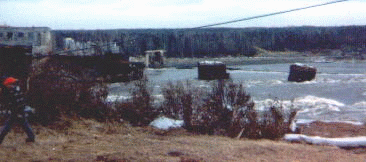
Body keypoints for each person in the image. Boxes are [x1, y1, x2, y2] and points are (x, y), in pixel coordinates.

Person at [0, 77, 35, 144]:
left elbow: (15, 103)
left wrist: (16, 112)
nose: (7, 86)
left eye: (7, 85)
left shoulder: (12, 92)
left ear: (10, 84)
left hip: (16, 112)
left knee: (7, 126)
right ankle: (31, 137)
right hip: (20, 111)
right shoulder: (17, 89)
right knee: (25, 125)